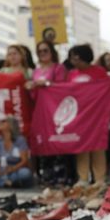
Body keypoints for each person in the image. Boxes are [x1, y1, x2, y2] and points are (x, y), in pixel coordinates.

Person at [27, 40, 69, 184]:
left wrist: (46, 84)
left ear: (52, 52)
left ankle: (60, 174)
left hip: (54, 110)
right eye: (40, 51)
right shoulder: (36, 71)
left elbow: (62, 88)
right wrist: (31, 87)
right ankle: (46, 174)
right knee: (43, 141)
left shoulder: (58, 68)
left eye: (46, 50)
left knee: (56, 140)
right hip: (39, 110)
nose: (43, 54)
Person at [67, 44, 110, 184]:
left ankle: (99, 178)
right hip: (79, 116)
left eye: (76, 57)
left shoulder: (99, 72)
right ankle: (83, 177)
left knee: (98, 146)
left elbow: (106, 90)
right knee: (81, 146)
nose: (73, 60)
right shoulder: (72, 74)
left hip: (97, 116)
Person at [0, 116, 33, 188]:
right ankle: (4, 182)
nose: (0, 122)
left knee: (25, 173)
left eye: (4, 121)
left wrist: (13, 168)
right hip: (1, 169)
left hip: (15, 169)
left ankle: (3, 181)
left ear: (11, 125)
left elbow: (24, 160)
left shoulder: (20, 140)